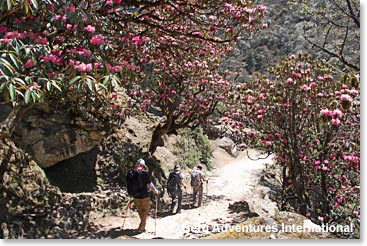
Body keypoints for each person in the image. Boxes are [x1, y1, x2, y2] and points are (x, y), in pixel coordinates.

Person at [132, 158, 159, 233]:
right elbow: (149, 184)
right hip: (144, 196)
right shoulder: (144, 173)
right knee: (145, 211)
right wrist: (155, 191)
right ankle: (141, 228)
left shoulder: (133, 173)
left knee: (140, 211)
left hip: (136, 196)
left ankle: (142, 225)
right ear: (143, 166)